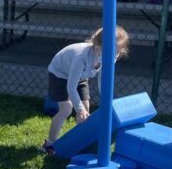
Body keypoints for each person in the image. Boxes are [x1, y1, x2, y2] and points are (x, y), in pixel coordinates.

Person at [41, 26, 130, 155]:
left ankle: (79, 142)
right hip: (60, 73)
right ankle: (49, 144)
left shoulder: (110, 57)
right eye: (112, 52)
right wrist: (79, 108)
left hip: (81, 76)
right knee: (66, 108)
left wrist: (105, 98)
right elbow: (71, 87)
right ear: (98, 48)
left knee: (86, 109)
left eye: (117, 53)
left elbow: (102, 77)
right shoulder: (81, 58)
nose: (115, 56)